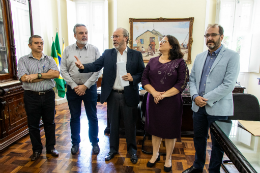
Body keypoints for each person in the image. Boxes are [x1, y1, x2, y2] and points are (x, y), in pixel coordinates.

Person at [74, 28, 145, 164]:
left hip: (129, 95)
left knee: (130, 125)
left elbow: (142, 73)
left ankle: (132, 150)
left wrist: (133, 78)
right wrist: (83, 67)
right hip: (113, 95)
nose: (114, 39)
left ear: (125, 38)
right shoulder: (108, 53)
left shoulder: (136, 55)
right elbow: (96, 65)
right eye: (113, 37)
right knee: (113, 125)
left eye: (117, 36)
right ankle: (113, 150)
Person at [183, 24, 240, 173]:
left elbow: (228, 85)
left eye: (213, 35)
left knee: (218, 144)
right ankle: (197, 166)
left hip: (219, 108)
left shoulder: (232, 56)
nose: (209, 38)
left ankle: (214, 170)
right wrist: (195, 96)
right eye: (207, 35)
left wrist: (205, 98)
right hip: (198, 107)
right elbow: (192, 79)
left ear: (221, 36)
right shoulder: (200, 57)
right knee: (199, 139)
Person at [142, 35, 189, 172]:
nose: (160, 43)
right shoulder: (152, 61)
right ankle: (155, 154)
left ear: (172, 46)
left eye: (164, 41)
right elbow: (144, 79)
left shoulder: (180, 62)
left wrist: (163, 95)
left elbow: (182, 83)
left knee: (170, 130)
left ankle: (168, 157)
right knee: (155, 129)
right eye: (160, 41)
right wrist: (155, 93)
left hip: (172, 102)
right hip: (154, 100)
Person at [60, 24, 101, 155]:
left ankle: (94, 143)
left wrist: (85, 86)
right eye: (81, 33)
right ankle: (75, 143)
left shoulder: (94, 50)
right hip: (73, 89)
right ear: (75, 35)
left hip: (89, 89)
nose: (84, 35)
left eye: (86, 33)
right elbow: (63, 70)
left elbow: (98, 70)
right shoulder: (67, 50)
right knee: (74, 117)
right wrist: (74, 86)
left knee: (92, 117)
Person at [17, 35, 60, 161]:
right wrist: (46, 75)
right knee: (33, 125)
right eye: (36, 43)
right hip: (31, 96)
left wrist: (36, 75)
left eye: (41, 43)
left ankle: (51, 147)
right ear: (30, 45)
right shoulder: (23, 60)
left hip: (48, 95)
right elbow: (24, 78)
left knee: (50, 123)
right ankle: (36, 150)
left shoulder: (49, 59)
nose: (40, 45)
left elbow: (56, 74)